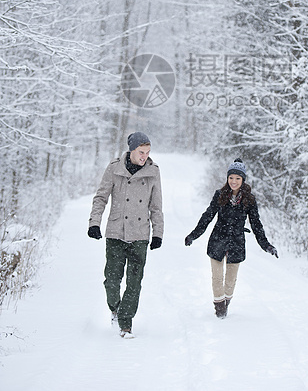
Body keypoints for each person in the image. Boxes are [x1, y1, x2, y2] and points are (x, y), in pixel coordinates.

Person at [88, 132, 164, 338]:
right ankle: (115, 308)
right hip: (116, 232)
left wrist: (158, 233)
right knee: (111, 281)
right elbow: (101, 197)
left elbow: (156, 206)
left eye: (147, 152)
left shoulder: (153, 171)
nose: (144, 156)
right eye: (141, 152)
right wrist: (95, 222)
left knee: (134, 282)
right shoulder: (114, 168)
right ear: (132, 150)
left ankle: (125, 323)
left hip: (140, 235)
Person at [184, 158, 278, 318]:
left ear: (243, 180)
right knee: (217, 277)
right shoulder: (220, 195)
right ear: (227, 178)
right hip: (218, 241)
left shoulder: (249, 199)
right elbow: (208, 216)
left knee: (230, 281)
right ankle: (219, 309)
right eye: (231, 178)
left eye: (237, 178)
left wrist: (266, 245)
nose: (234, 181)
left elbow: (256, 225)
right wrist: (193, 235)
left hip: (236, 243)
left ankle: (225, 302)